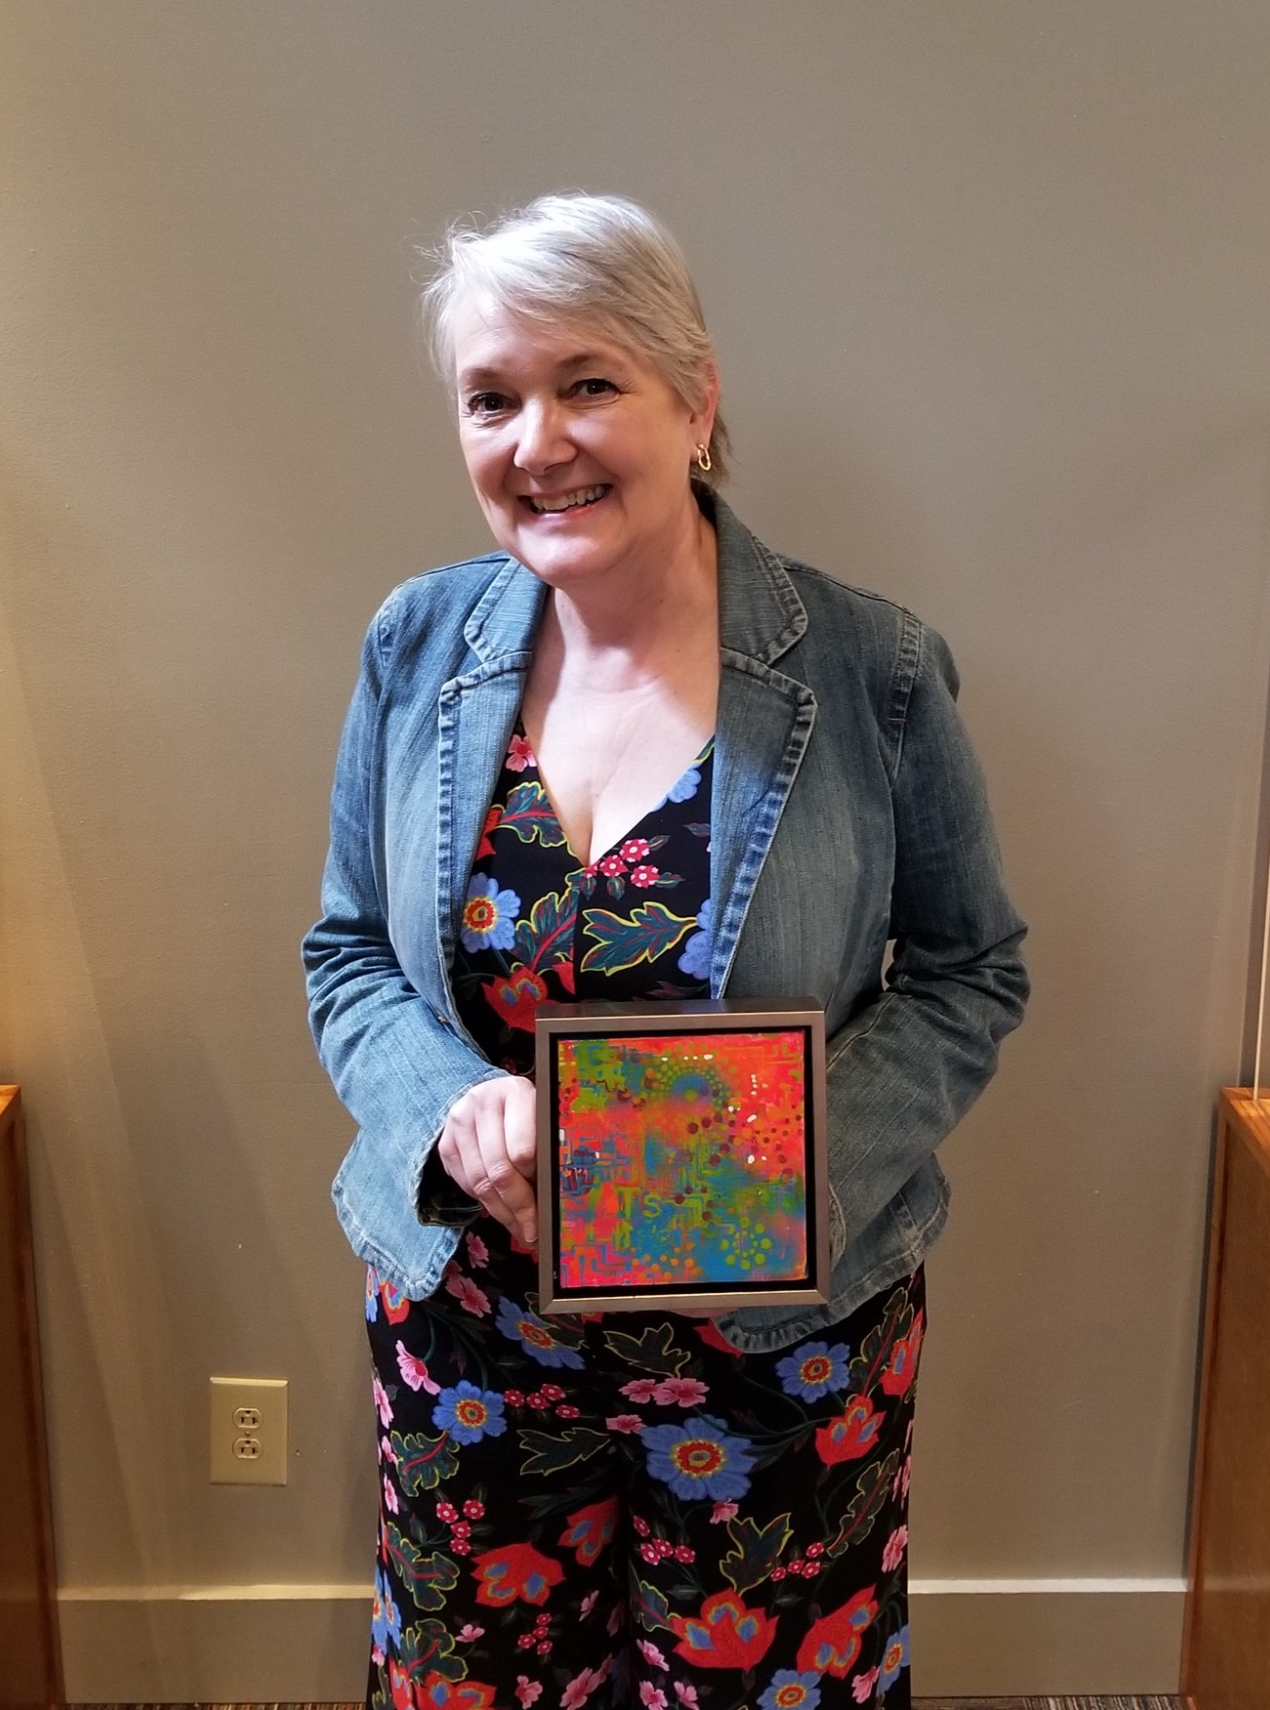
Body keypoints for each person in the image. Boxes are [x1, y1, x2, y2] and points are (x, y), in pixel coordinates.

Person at [303, 193, 1028, 1710]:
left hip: (776, 1351)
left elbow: (972, 973)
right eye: (491, 399)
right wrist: (448, 1099)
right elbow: (351, 951)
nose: (537, 443)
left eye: (588, 383)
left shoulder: (874, 671)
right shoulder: (418, 647)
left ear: (696, 402)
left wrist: (780, 1165)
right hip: (473, 1332)